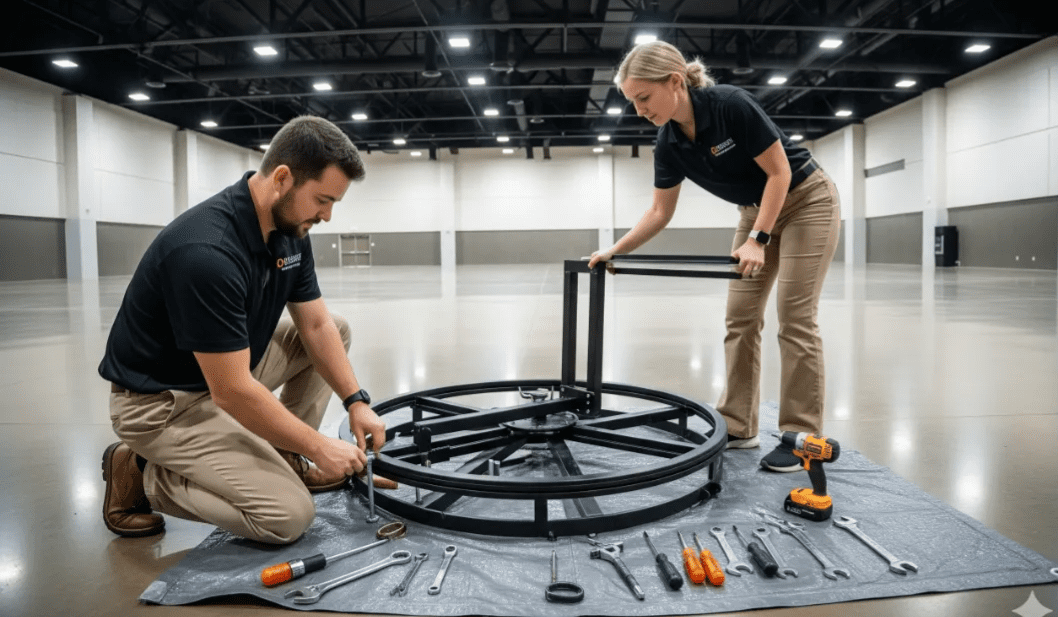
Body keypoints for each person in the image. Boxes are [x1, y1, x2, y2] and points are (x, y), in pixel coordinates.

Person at [99, 115, 389, 543]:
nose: (327, 216)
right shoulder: (206, 252)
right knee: (287, 517)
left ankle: (282, 458)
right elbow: (231, 391)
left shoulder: (290, 230)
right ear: (283, 178)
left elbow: (316, 323)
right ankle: (141, 472)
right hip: (164, 402)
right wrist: (318, 446)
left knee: (336, 330)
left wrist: (356, 401)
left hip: (225, 370)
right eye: (323, 200)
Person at [589, 41, 841, 472]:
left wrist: (758, 239)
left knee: (795, 317)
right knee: (740, 317)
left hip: (805, 200)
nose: (638, 110)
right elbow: (659, 212)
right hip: (754, 210)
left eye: (643, 98)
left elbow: (780, 172)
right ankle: (738, 424)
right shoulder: (668, 142)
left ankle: (801, 435)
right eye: (632, 101)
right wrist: (615, 249)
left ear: (675, 82)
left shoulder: (729, 105)